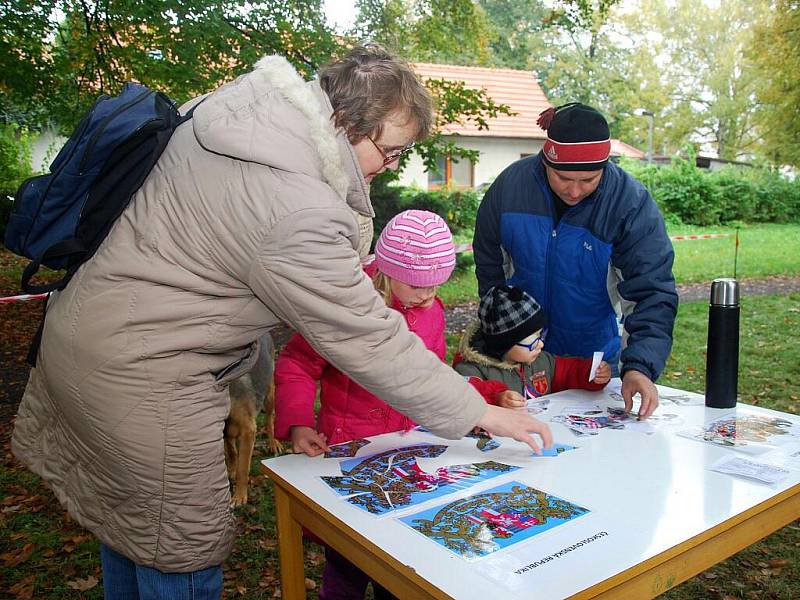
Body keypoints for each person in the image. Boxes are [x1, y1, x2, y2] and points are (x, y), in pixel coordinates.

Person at [11, 44, 551, 599]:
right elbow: (365, 336)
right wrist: (476, 411)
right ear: (345, 123)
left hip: (88, 335)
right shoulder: (295, 205)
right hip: (143, 372)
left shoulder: (236, 116)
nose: (390, 167)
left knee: (132, 524)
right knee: (181, 543)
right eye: (390, 152)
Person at [276, 210, 487, 600]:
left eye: (436, 285)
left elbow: (432, 374)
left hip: (405, 454)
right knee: (347, 566)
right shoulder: (345, 310)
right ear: (386, 272)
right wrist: (299, 422)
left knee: (401, 565)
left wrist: (460, 411)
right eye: (415, 285)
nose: (426, 294)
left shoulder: (432, 310)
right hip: (349, 450)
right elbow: (297, 363)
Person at [473, 102, 678, 420]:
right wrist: (501, 339)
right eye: (563, 178)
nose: (574, 190)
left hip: (594, 369)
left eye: (588, 180)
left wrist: (639, 366)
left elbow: (652, 293)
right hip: (519, 367)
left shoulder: (629, 204)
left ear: (605, 166)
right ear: (546, 160)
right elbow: (490, 273)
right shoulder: (509, 189)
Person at [454, 285, 611, 406]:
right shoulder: (472, 367)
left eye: (540, 335)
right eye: (533, 341)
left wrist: (592, 372)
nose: (541, 344)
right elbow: (464, 393)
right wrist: (497, 398)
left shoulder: (541, 361)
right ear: (505, 344)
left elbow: (570, 371)